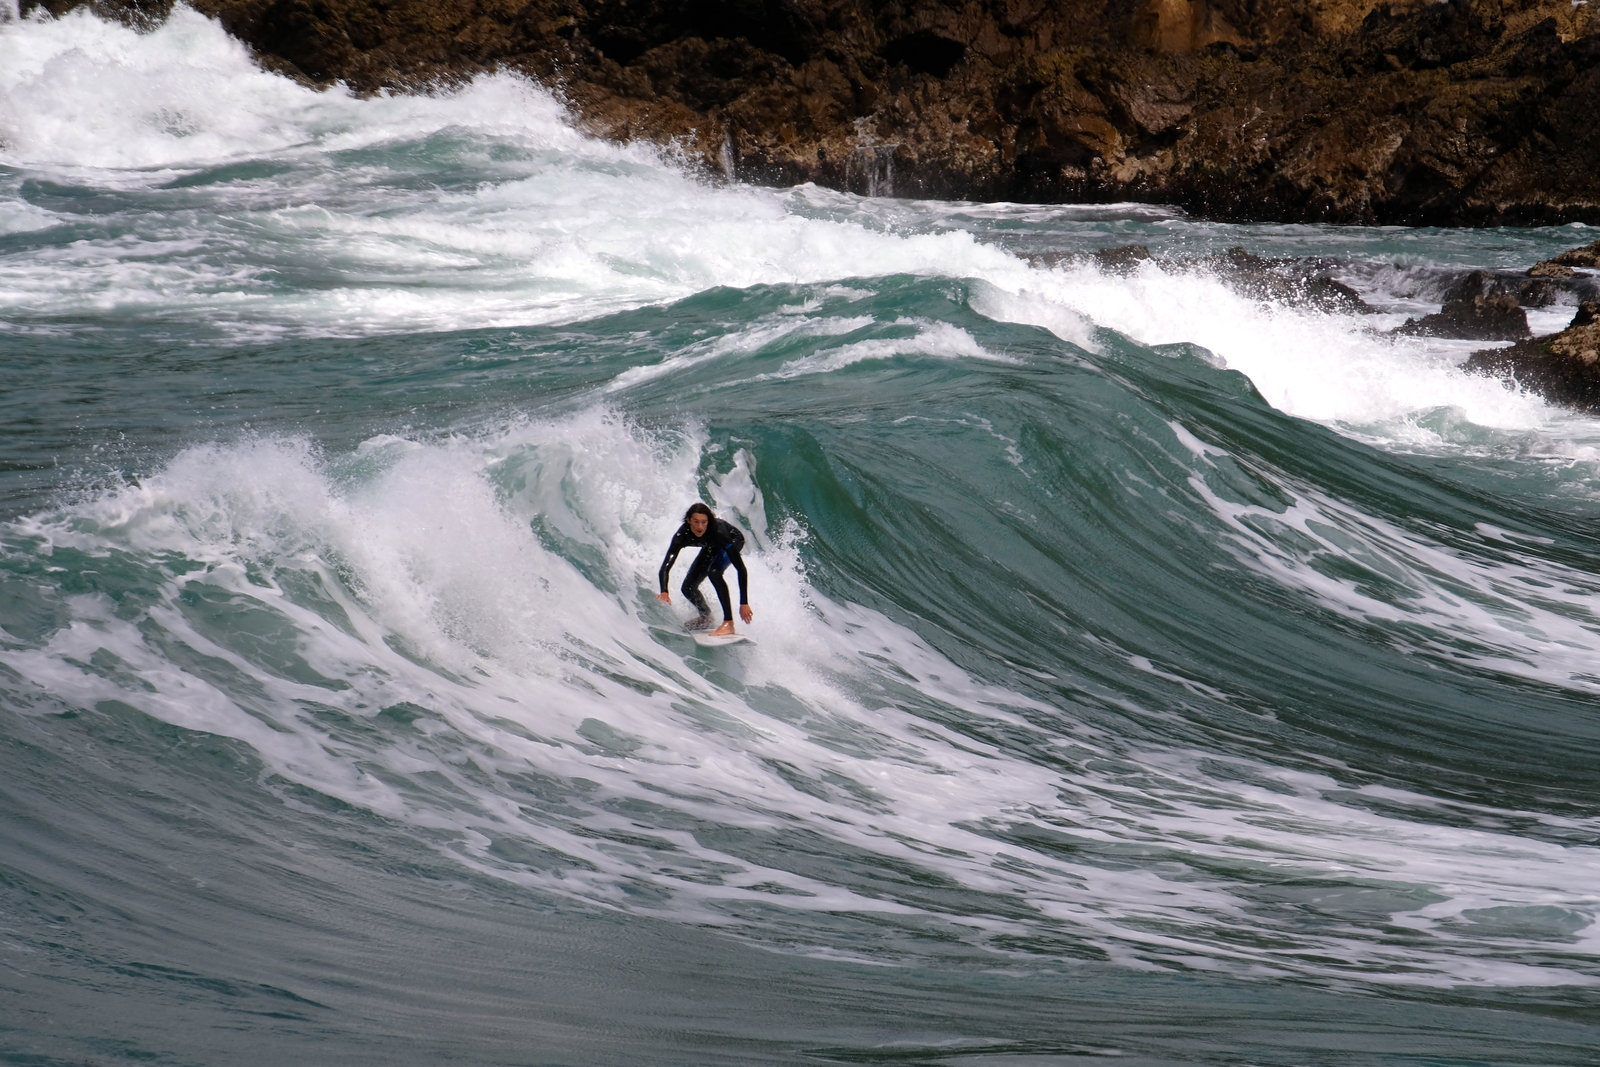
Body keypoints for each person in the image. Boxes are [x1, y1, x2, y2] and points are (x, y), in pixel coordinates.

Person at [656, 503, 753, 637]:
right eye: (696, 522)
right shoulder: (682, 535)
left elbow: (741, 568)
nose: (700, 527)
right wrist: (664, 591)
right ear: (688, 520)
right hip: (711, 546)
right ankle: (706, 617)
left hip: (733, 540)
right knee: (688, 587)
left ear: (708, 522)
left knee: (714, 572)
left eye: (704, 522)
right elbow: (666, 565)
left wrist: (744, 603)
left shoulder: (719, 533)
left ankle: (729, 623)